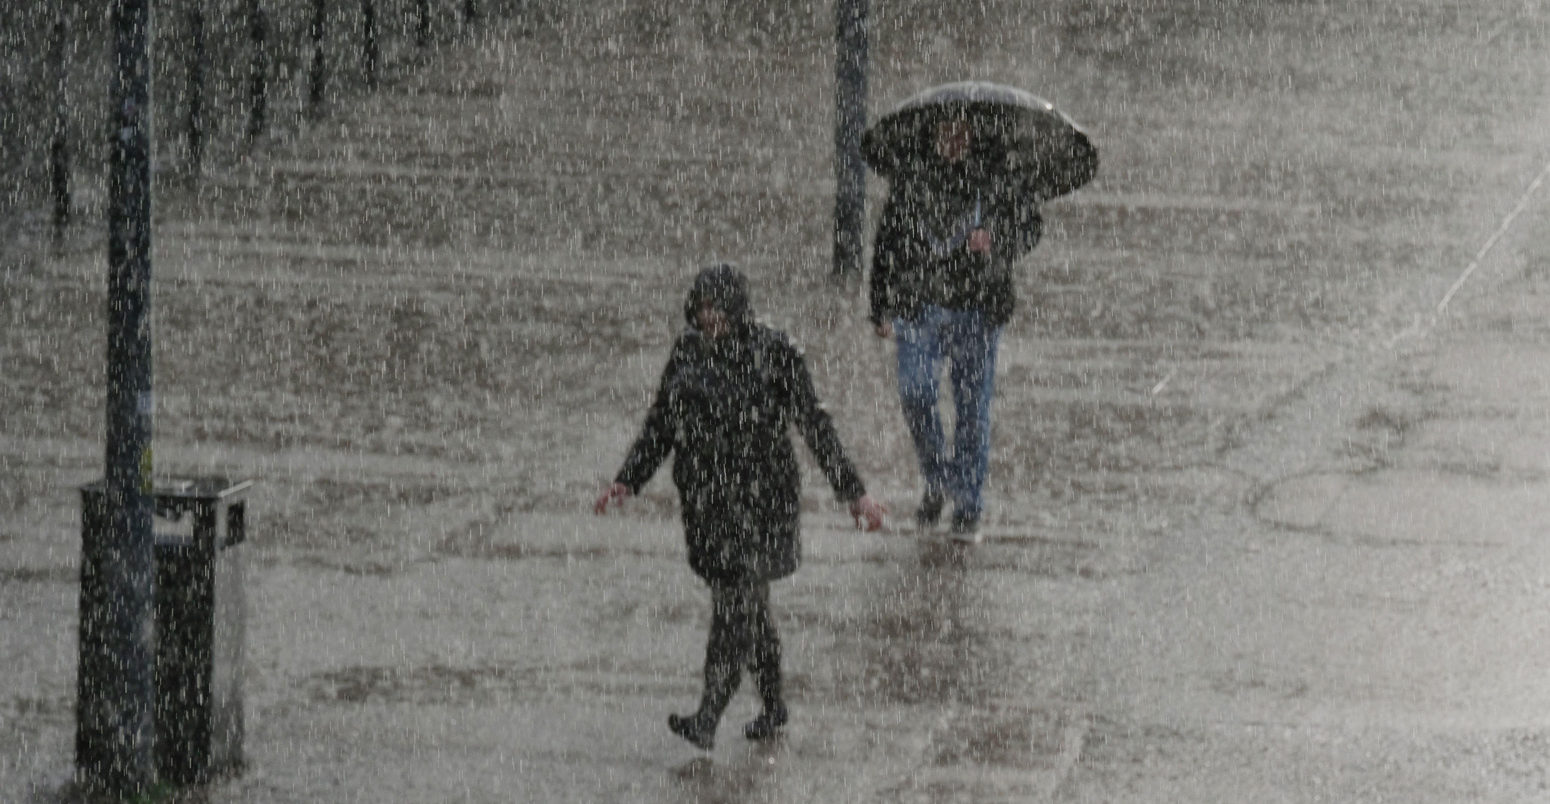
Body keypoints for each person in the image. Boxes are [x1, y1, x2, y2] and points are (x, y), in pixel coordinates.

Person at [595, 263, 887, 751]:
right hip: (708, 505)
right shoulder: (687, 353)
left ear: (737, 309)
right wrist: (627, 481)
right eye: (703, 309)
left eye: (718, 309)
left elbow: (815, 426)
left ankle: (708, 714)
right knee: (749, 608)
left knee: (735, 608)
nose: (710, 318)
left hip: (763, 504)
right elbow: (661, 425)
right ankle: (774, 706)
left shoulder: (774, 353)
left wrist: (854, 493)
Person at [868, 115, 1045, 543]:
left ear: (974, 135)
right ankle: (937, 478)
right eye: (945, 129)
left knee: (972, 411)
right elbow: (887, 241)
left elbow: (1030, 228)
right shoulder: (911, 178)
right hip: (919, 307)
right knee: (915, 391)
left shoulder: (997, 177)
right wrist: (880, 306)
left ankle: (967, 505)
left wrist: (996, 237)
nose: (953, 138)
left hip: (977, 311)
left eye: (961, 131)